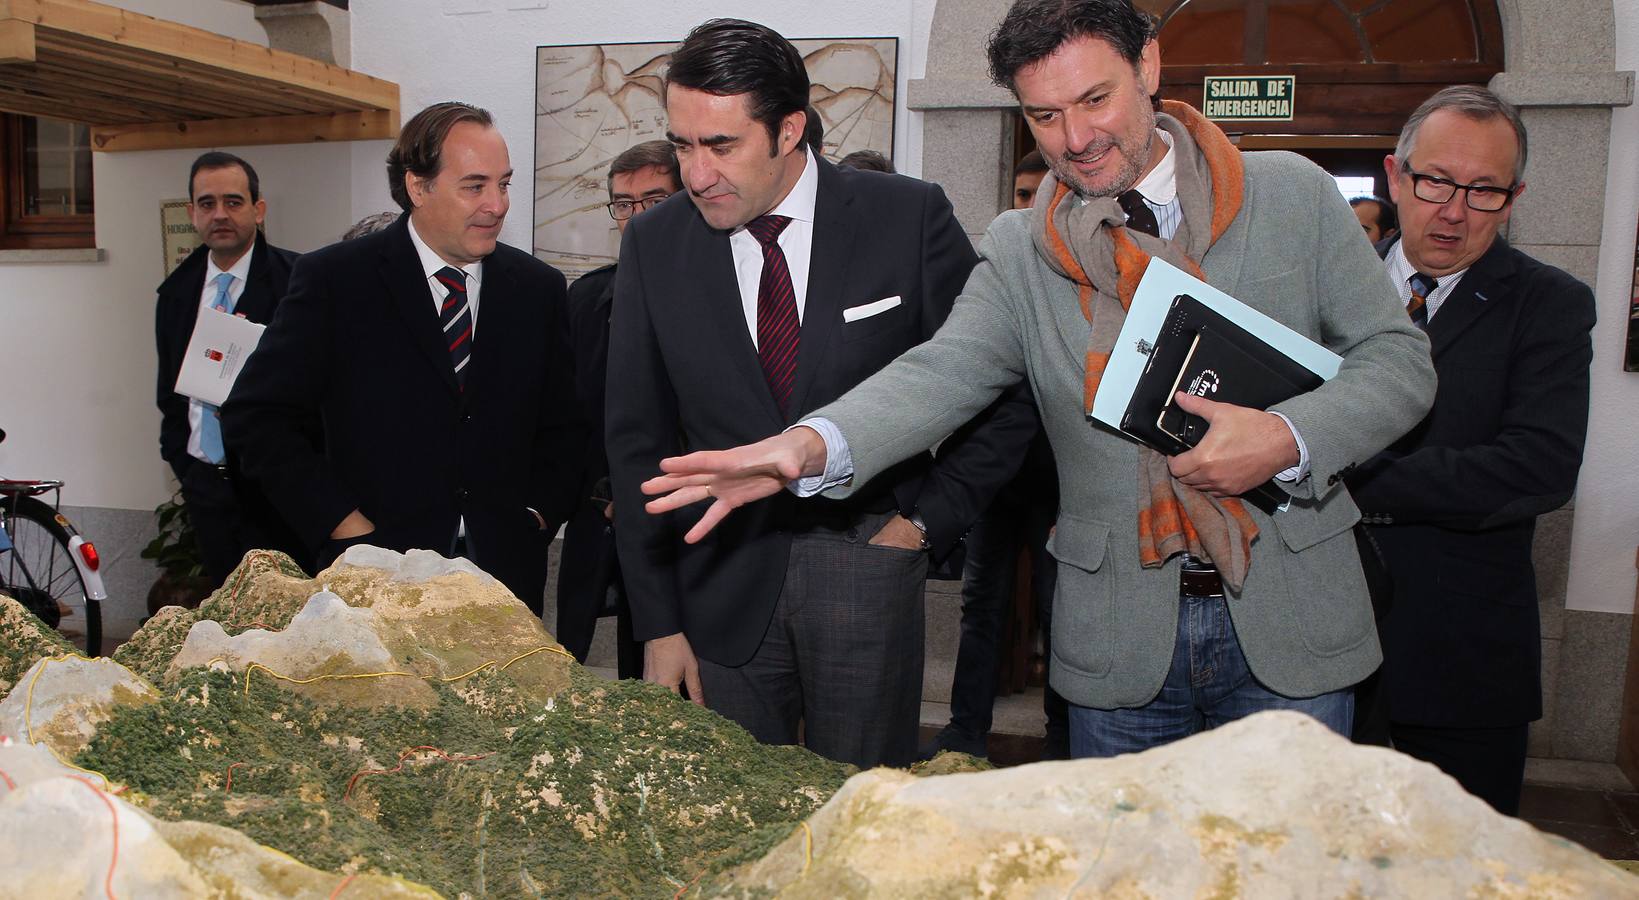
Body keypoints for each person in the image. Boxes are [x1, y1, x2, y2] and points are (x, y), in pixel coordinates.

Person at [639, 0, 1437, 760]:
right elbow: (941, 371)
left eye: (1095, 99)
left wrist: (1286, 438)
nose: (1075, 137)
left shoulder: (1290, 196)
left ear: (1148, 64)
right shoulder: (1021, 249)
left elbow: (1397, 363)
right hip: (1118, 645)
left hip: (1292, 619)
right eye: (1043, 116)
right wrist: (808, 445)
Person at [607, 18, 1033, 768]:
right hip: (716, 586)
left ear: (789, 129)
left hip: (867, 567)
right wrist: (658, 624)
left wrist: (923, 523)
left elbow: (1001, 383)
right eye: (681, 144)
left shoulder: (906, 217)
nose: (695, 173)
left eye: (720, 145)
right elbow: (636, 439)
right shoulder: (655, 242)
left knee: (863, 824)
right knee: (733, 834)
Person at [222, 101, 583, 611]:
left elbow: (565, 425)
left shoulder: (537, 289)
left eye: (504, 184)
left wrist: (537, 515)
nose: (497, 205)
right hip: (374, 581)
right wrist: (345, 526)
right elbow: (256, 418)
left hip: (504, 580)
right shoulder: (337, 281)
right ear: (418, 187)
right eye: (474, 185)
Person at [1347, 86, 1595, 816]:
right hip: (1318, 644)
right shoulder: (1327, 291)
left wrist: (1352, 481)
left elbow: (1538, 466)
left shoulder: (1548, 304)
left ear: (1512, 198)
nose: (1453, 210)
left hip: (1462, 656)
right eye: (1435, 182)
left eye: (1483, 191)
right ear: (1394, 176)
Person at [557, 140, 682, 678]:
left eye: (653, 200)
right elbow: (568, 413)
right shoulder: (586, 299)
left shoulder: (717, 293)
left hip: (686, 525)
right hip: (599, 519)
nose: (636, 217)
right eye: (624, 204)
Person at [155, 152, 306, 586]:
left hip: (278, 489)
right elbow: (170, 397)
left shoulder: (297, 281)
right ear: (191, 213)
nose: (220, 214)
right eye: (207, 203)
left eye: (233, 201)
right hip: (208, 492)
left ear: (258, 209)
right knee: (227, 621)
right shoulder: (175, 293)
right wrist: (185, 465)